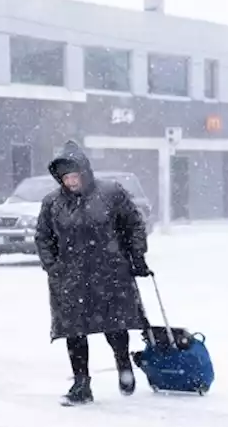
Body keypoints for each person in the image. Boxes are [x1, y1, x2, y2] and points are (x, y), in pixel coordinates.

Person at [35, 141, 151, 407]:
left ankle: (123, 365)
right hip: (70, 277)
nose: (71, 182)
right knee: (74, 332)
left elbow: (133, 224)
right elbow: (43, 236)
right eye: (66, 178)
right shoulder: (53, 203)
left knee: (115, 324)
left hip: (109, 272)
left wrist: (137, 256)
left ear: (85, 173)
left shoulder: (111, 193)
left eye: (74, 176)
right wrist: (53, 266)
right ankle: (81, 384)